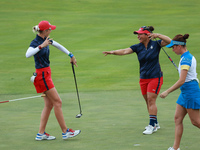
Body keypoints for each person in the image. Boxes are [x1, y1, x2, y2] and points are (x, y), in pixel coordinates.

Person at [103, 26, 171, 134]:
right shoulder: (137, 47)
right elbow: (125, 51)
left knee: (151, 100)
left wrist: (157, 35)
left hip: (155, 77)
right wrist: (113, 52)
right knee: (147, 101)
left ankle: (152, 125)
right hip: (143, 78)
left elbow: (169, 41)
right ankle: (156, 122)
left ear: (147, 35)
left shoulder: (156, 44)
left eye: (140, 34)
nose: (138, 36)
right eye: (137, 34)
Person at [25, 20, 81, 141]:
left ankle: (40, 134)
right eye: (50, 29)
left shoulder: (47, 39)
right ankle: (65, 131)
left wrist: (71, 55)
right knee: (58, 102)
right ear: (45, 31)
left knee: (49, 104)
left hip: (45, 75)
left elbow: (58, 45)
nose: (51, 31)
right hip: (42, 76)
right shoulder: (36, 42)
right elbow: (28, 54)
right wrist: (41, 46)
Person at [160, 34, 200, 150]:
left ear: (179, 46)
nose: (172, 50)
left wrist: (167, 91)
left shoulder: (186, 59)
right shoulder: (185, 56)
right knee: (177, 119)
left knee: (196, 122)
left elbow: (182, 80)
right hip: (185, 92)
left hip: (190, 91)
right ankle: (175, 148)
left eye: (173, 47)